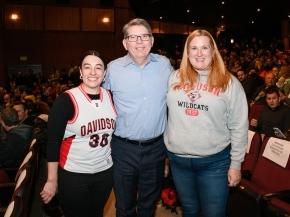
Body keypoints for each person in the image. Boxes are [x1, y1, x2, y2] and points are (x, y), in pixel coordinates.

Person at [163, 29, 248, 217]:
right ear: (187, 52)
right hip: (178, 161)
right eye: (194, 48)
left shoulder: (230, 83)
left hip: (214, 163)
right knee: (190, 210)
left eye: (204, 48)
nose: (199, 53)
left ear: (213, 51)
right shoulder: (174, 78)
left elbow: (239, 127)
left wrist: (236, 164)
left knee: (214, 213)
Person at [102, 18, 173, 217]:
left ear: (152, 41)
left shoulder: (165, 65)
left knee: (148, 206)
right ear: (125, 43)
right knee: (124, 207)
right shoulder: (112, 69)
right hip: (123, 150)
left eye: (144, 36)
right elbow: (98, 102)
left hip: (156, 150)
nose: (139, 41)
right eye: (133, 37)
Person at [40, 50, 117, 217]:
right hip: (74, 173)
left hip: (104, 171)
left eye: (98, 67)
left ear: (104, 73)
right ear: (80, 72)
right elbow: (52, 143)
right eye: (87, 67)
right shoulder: (66, 100)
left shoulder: (111, 97)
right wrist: (52, 180)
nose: (93, 72)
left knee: (97, 213)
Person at [0, 108, 32, 183]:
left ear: (2, 122)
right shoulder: (26, 129)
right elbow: (5, 145)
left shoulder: (11, 141)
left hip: (6, 171)